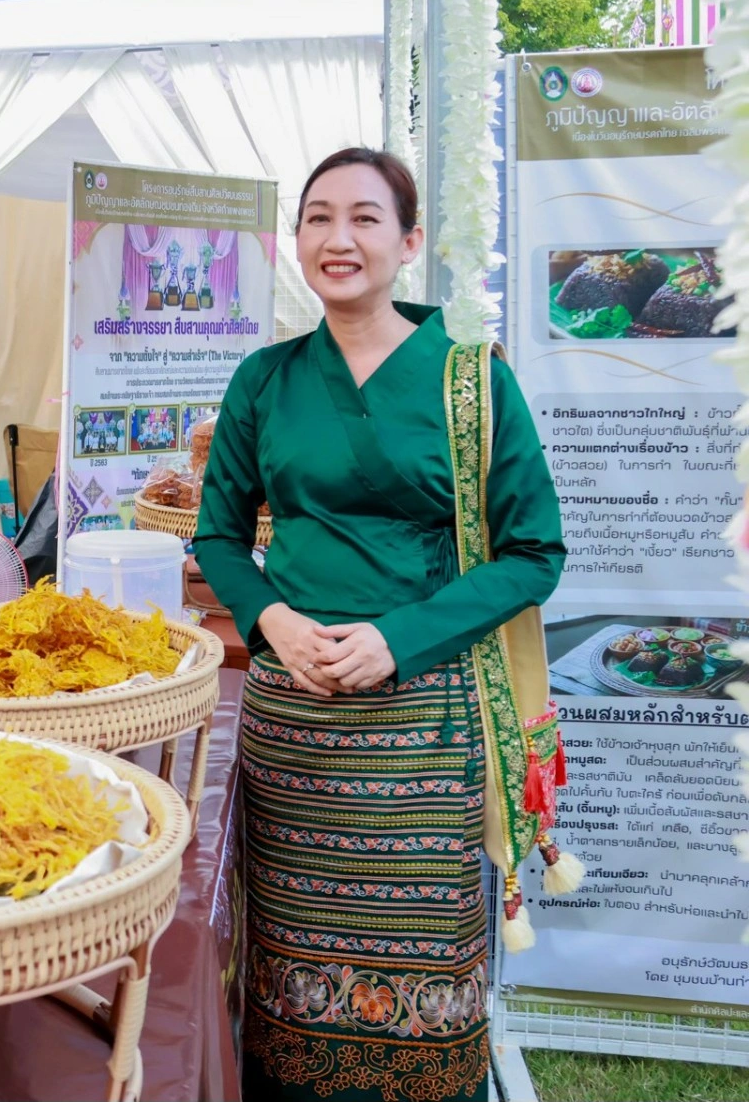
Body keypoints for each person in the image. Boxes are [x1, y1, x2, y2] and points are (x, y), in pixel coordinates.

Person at [195, 149, 565, 1102]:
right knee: (287, 990)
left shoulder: (471, 380)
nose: (338, 238)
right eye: (318, 217)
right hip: (295, 729)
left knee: (428, 985)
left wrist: (398, 639)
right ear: (297, 241)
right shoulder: (265, 379)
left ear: (408, 242)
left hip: (424, 729)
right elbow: (218, 538)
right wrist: (271, 619)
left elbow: (534, 552)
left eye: (364, 217)